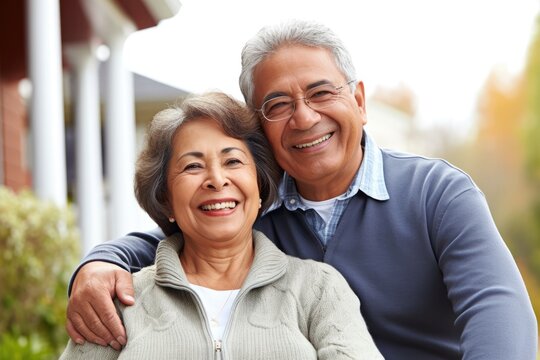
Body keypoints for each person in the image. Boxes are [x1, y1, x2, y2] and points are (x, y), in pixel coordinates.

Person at [66, 20, 538, 359]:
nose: (305, 117)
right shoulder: (254, 203)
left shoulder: (437, 193)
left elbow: (500, 318)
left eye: (321, 93)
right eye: (278, 104)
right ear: (258, 126)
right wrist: (100, 261)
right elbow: (178, 234)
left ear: (358, 100)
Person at [60, 92, 384, 359]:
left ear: (259, 188)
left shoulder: (318, 289)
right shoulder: (119, 302)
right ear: (167, 200)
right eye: (193, 166)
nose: (216, 180)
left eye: (232, 161)